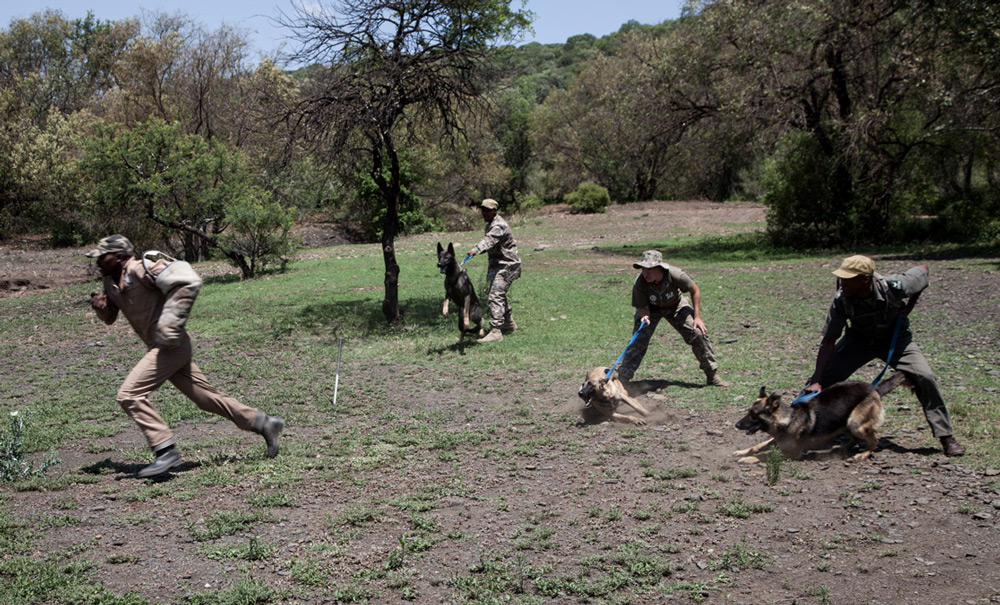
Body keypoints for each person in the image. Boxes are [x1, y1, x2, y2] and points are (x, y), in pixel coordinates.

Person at [86, 235, 285, 478]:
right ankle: (265, 423)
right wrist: (101, 308)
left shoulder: (142, 268)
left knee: (129, 394)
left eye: (102, 256)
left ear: (118, 256)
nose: (97, 262)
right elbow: (110, 318)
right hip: (161, 348)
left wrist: (171, 324)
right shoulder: (111, 283)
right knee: (207, 399)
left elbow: (186, 281)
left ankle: (165, 450)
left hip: (171, 345)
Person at [804, 255, 965, 457]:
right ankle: (801, 431)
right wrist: (818, 380)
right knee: (821, 382)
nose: (842, 283)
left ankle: (946, 437)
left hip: (896, 339)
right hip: (859, 340)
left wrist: (909, 306)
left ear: (864, 279)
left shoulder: (896, 286)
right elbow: (828, 342)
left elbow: (923, 271)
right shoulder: (841, 299)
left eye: (847, 278)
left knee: (924, 377)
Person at [618, 250, 727, 387]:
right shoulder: (640, 283)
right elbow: (642, 306)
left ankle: (712, 375)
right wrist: (644, 315)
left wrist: (697, 317)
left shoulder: (676, 275)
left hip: (676, 305)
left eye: (650, 269)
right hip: (652, 308)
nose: (646, 273)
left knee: (698, 333)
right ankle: (623, 379)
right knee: (638, 339)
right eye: (644, 269)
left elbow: (695, 290)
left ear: (660, 268)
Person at [467, 198, 521, 343]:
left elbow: (489, 241)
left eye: (488, 210)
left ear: (495, 211)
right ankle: (508, 323)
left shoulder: (498, 226)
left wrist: (475, 250)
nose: (484, 213)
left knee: (495, 296)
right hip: (499, 265)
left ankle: (496, 332)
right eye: (483, 210)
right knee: (499, 294)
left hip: (508, 265)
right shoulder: (490, 224)